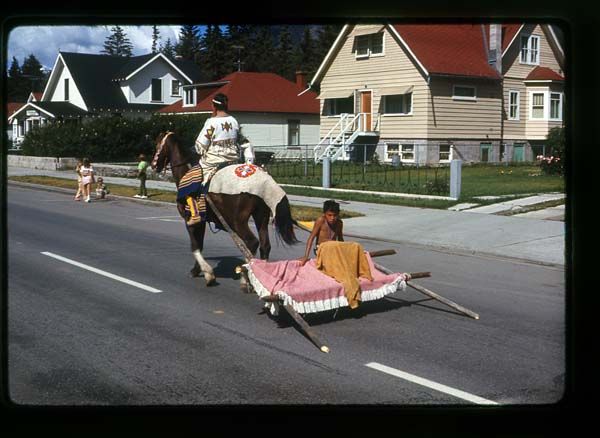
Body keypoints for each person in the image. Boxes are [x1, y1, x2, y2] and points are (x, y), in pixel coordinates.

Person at [194, 92, 254, 183]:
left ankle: (199, 196)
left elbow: (200, 146)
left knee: (193, 180)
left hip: (213, 162)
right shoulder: (233, 121)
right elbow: (239, 139)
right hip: (233, 161)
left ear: (214, 107)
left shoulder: (212, 123)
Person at [299, 200, 344, 266]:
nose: (332, 218)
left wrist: (343, 252)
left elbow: (340, 239)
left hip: (333, 248)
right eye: (329, 215)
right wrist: (306, 256)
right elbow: (311, 238)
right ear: (324, 214)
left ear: (338, 214)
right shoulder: (321, 221)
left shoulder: (339, 223)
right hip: (320, 248)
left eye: (335, 215)